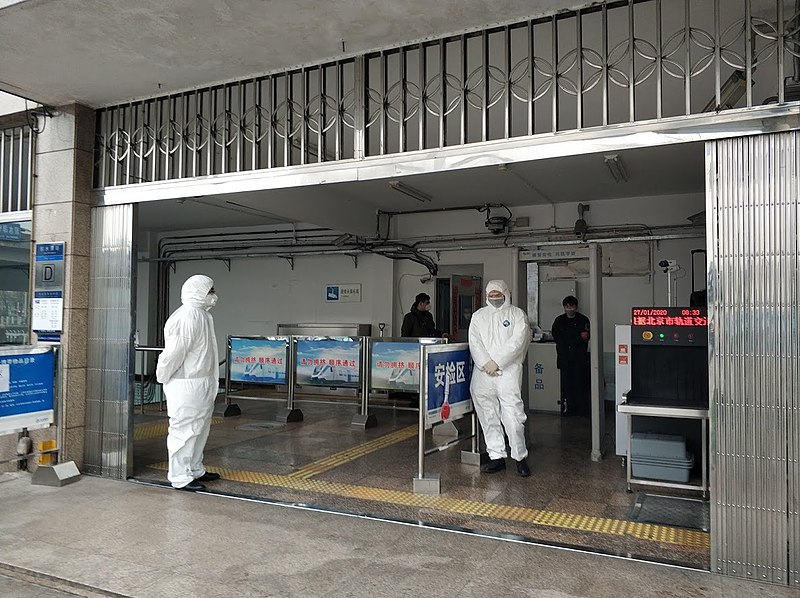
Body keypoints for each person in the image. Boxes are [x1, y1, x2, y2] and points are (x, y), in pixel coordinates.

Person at [156, 274, 221, 492]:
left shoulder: (202, 315)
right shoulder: (188, 316)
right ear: (198, 292)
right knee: (184, 431)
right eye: (210, 291)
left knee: (200, 429)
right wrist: (163, 375)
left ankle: (194, 468)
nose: (213, 295)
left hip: (201, 383)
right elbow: (174, 352)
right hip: (186, 384)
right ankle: (180, 476)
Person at [468, 280, 531, 477]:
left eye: (498, 294)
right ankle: (496, 456)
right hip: (483, 373)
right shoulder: (479, 316)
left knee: (513, 416)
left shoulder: (517, 314)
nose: (494, 297)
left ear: (506, 293)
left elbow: (518, 342)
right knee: (488, 415)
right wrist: (485, 362)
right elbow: (474, 341)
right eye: (491, 294)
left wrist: (497, 362)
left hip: (508, 373)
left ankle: (520, 457)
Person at [551, 295, 590, 417]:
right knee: (566, 385)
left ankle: (581, 409)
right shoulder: (559, 320)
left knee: (580, 384)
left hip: (579, 359)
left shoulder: (583, 320)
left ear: (576, 307)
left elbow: (585, 337)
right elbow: (558, 338)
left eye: (571, 306)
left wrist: (571, 338)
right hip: (565, 358)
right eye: (567, 306)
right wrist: (577, 337)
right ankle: (569, 408)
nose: (569, 308)